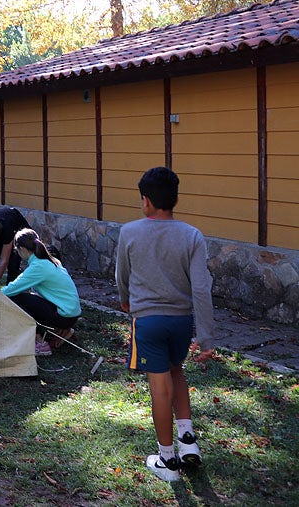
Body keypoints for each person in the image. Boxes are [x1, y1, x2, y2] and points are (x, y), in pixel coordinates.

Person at [116, 166, 215, 482]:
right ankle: (188, 442)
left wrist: (125, 300)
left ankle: (168, 461)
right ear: (175, 199)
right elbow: (201, 287)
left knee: (159, 388)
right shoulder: (192, 235)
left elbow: (123, 275)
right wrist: (206, 336)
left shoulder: (129, 232)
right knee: (177, 372)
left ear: (145, 201)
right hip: (182, 322)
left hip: (148, 321)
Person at [0, 228, 81, 356]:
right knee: (31, 298)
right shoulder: (49, 260)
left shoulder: (38, 267)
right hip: (71, 313)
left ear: (22, 249)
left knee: (15, 300)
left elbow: (10, 291)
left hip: (64, 315)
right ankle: (60, 331)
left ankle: (41, 344)